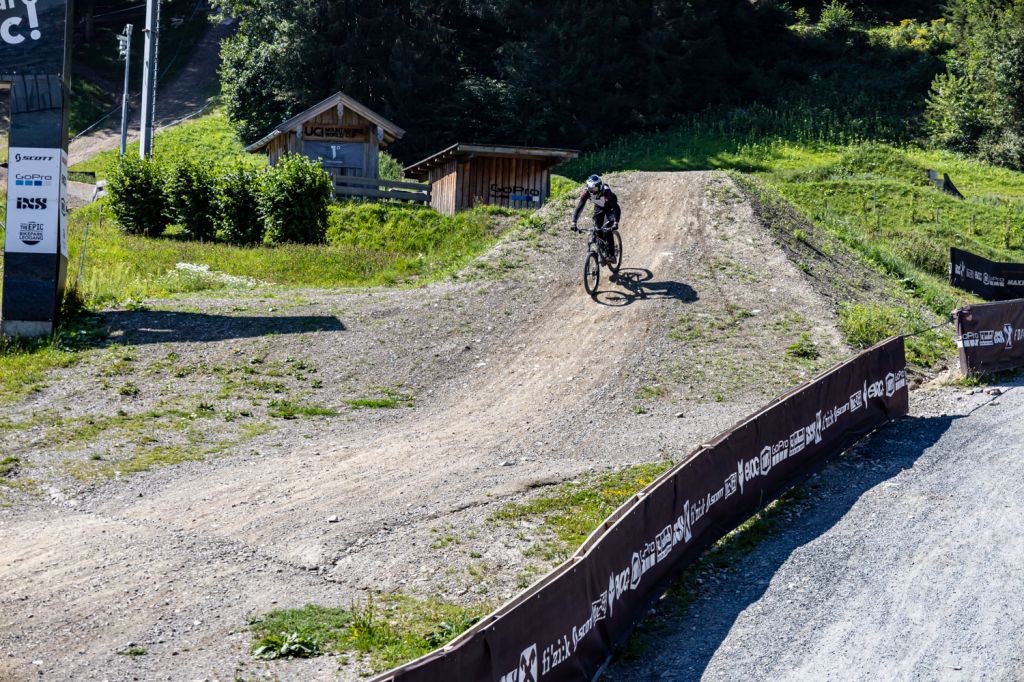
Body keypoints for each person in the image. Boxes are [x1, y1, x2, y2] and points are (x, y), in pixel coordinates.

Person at [572, 174, 621, 262]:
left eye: (594, 189)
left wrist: (616, 222)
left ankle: (612, 254)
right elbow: (580, 207)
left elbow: (616, 208)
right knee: (597, 229)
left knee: (607, 229)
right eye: (591, 189)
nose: (592, 191)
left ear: (599, 186)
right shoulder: (586, 192)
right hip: (598, 207)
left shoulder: (607, 192)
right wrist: (574, 222)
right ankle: (602, 252)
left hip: (609, 207)